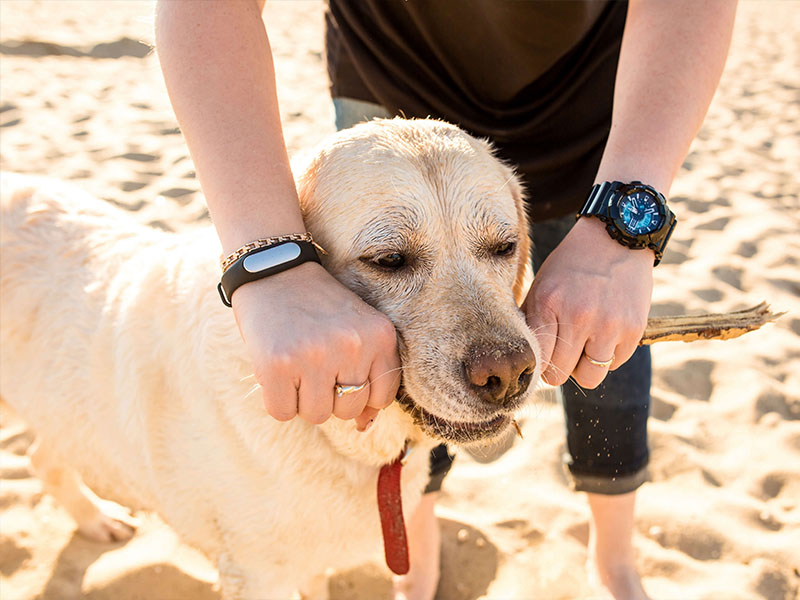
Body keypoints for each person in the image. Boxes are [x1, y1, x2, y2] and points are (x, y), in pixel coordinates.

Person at [155, 1, 737, 598]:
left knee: (605, 341)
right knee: (383, 357)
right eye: (390, 258)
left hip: (592, 100)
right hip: (386, 67)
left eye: (502, 248)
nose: (506, 363)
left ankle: (613, 557)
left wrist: (621, 227)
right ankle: (416, 547)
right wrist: (273, 264)